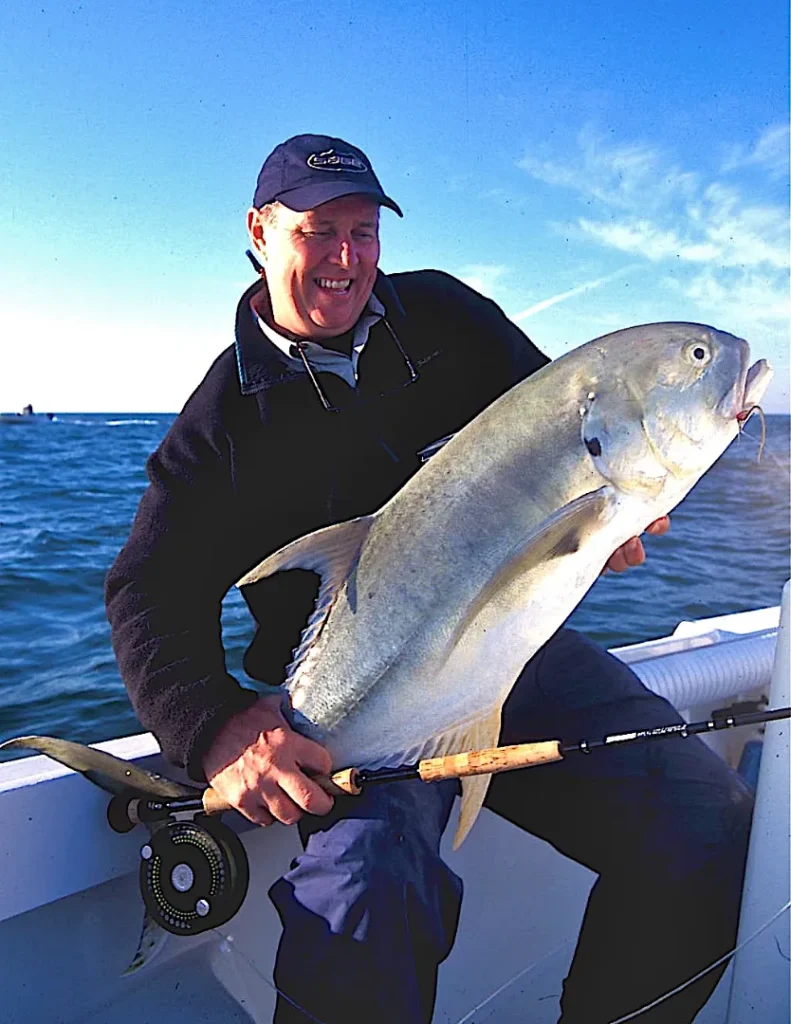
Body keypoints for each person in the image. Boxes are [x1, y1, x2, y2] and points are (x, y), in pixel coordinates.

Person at [105, 134, 752, 1024]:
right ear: (259, 230)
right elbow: (147, 588)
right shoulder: (221, 421)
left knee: (703, 820)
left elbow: (560, 421)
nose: (345, 259)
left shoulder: (445, 316)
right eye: (317, 230)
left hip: (516, 653)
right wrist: (212, 726)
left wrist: (617, 515)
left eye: (363, 232)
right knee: (362, 897)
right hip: (368, 705)